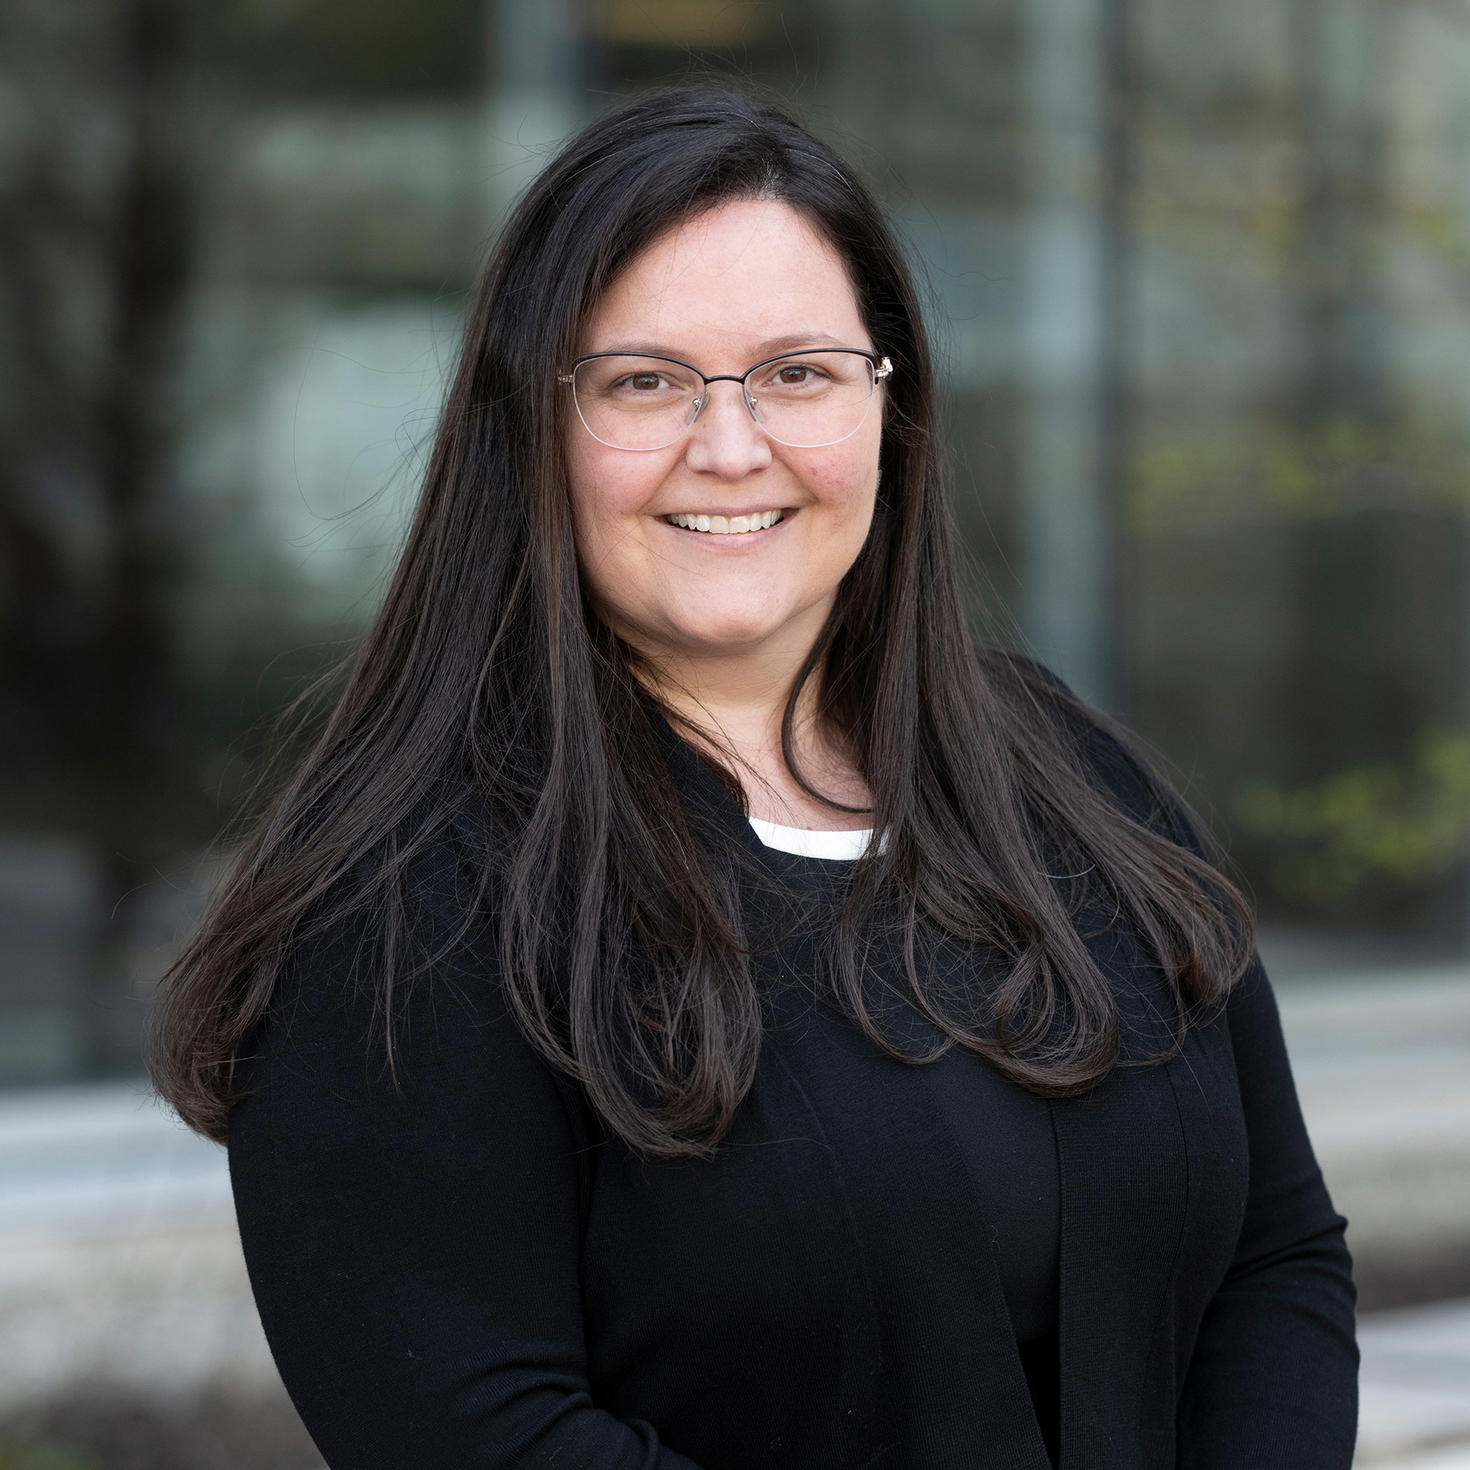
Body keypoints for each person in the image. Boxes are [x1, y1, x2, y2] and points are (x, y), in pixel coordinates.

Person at [148, 86, 1358, 1469]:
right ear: (528, 427)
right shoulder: (403, 914)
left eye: (798, 372)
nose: (731, 448)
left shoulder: (1064, 777)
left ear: (888, 410)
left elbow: (1278, 1255)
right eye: (644, 381)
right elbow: (491, 1435)